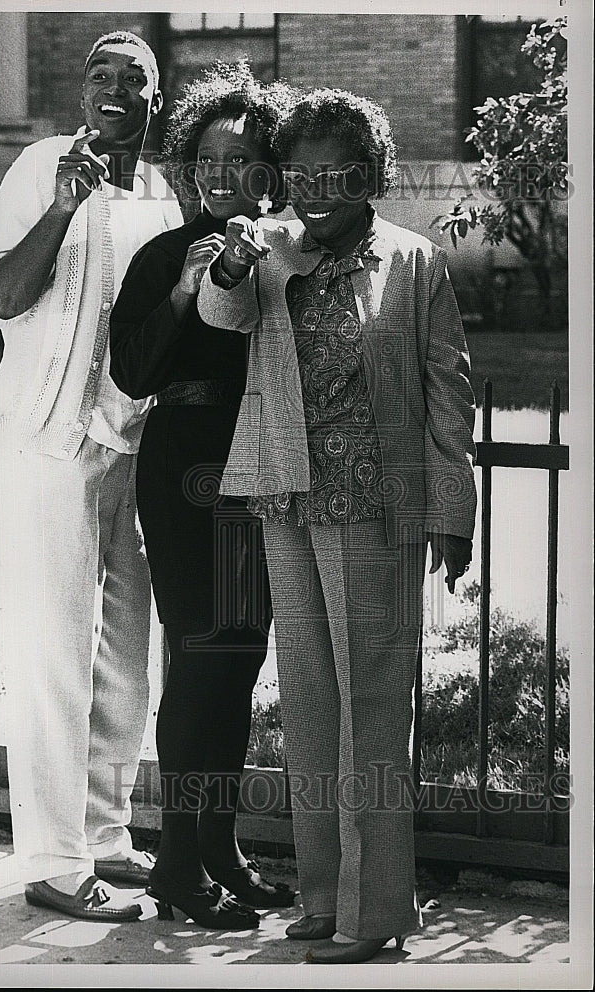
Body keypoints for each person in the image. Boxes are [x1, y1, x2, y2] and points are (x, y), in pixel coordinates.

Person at [197, 87, 476, 961]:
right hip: (286, 492)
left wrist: (452, 508)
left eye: (339, 174)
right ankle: (323, 898)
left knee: (373, 705)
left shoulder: (413, 261)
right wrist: (233, 266)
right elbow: (218, 312)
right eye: (301, 173)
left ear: (374, 175)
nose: (317, 190)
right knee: (313, 704)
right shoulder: (272, 248)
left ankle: (374, 912)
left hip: (376, 502)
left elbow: (447, 390)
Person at [0, 30, 182, 922]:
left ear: (155, 103)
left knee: (129, 652)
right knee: (55, 650)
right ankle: (55, 859)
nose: (116, 89)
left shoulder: (162, 193)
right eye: (102, 73)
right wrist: (61, 207)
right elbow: (6, 296)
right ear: (80, 89)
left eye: (137, 79)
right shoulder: (43, 164)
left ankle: (106, 832)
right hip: (49, 444)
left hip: (132, 443)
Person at [109, 61, 296, 929]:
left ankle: (219, 849)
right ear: (191, 168)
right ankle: (178, 867)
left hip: (260, 460)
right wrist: (186, 288)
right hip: (185, 461)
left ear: (270, 173)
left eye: (245, 162)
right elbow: (133, 371)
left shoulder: (280, 257)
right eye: (210, 161)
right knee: (201, 656)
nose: (225, 177)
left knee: (240, 659)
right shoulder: (158, 257)